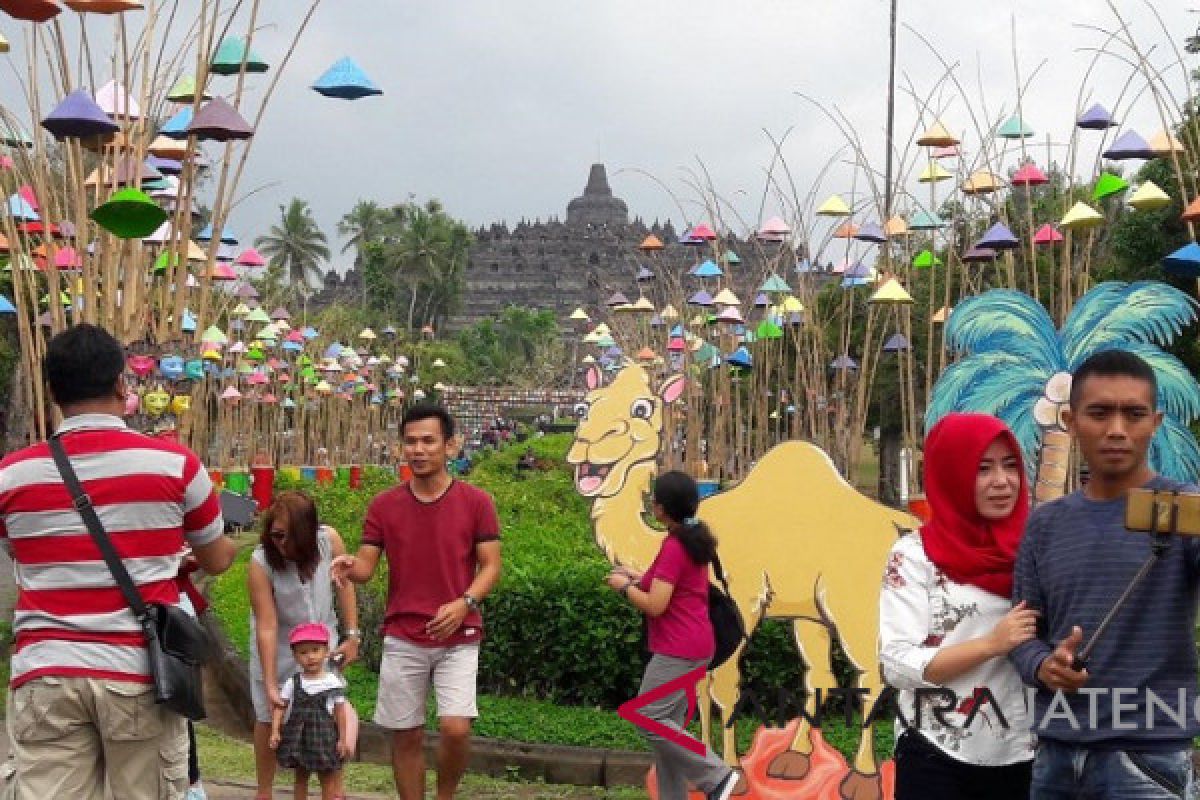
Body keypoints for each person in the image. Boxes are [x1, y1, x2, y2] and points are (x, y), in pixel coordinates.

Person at [0, 323, 237, 800]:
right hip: (138, 674)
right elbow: (217, 560)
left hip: (47, 672)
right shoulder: (175, 465)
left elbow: (23, 553)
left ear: (51, 390)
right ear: (121, 385)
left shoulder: (11, 476)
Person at [1010, 349, 1200, 799]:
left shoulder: (1185, 510)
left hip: (1150, 758)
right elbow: (1021, 632)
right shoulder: (1046, 523)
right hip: (1055, 757)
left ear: (1154, 423)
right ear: (1071, 420)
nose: (1116, 429)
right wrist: (1043, 665)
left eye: (1133, 414)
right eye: (1099, 413)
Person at [331, 404, 502, 800]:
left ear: (450, 446)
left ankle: (444, 795)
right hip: (404, 636)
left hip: (459, 636)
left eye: (428, 441)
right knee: (405, 735)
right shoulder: (385, 506)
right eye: (410, 442)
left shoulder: (476, 502)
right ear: (400, 448)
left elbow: (491, 567)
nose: (418, 450)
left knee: (456, 729)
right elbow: (367, 566)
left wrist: (464, 603)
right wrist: (348, 567)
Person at [879, 412, 1036, 800]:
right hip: (937, 750)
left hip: (1027, 750)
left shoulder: (1037, 547)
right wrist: (991, 644)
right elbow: (897, 663)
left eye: (1010, 465)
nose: (1002, 481)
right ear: (952, 475)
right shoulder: (915, 556)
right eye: (982, 469)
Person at [605, 471, 740, 800]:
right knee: (669, 730)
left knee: (646, 715)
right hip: (693, 645)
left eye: (655, 499)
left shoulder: (676, 547)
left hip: (679, 650)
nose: (652, 503)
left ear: (662, 508)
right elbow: (669, 583)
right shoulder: (689, 538)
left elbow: (655, 604)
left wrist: (623, 588)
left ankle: (718, 776)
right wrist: (635, 575)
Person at [248, 491, 361, 800]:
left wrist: (353, 635)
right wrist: (272, 683)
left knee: (329, 711)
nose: (283, 545)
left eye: (291, 537)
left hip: (323, 646)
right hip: (280, 647)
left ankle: (334, 788)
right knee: (267, 714)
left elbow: (345, 584)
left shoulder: (329, 541)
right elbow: (267, 625)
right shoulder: (261, 561)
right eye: (277, 536)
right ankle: (264, 791)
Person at [269, 622, 352, 800]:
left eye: (315, 650)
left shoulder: (332, 682)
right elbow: (280, 706)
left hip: (325, 738)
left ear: (326, 651)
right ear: (295, 656)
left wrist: (343, 739)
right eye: (303, 652)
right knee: (300, 779)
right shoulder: (294, 682)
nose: (310, 657)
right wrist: (275, 730)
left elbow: (340, 712)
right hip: (299, 738)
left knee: (327, 779)